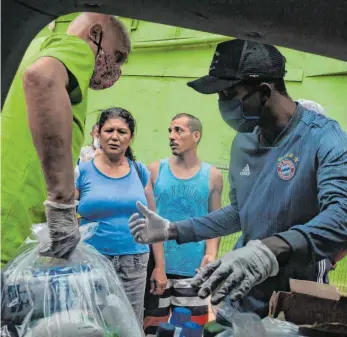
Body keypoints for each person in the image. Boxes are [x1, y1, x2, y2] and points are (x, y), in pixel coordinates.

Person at [128, 39, 347, 318]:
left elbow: (341, 215)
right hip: (242, 289)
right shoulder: (243, 142)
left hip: (295, 295)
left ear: (265, 92)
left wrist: (269, 250)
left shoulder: (325, 138)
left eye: (228, 95)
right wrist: (174, 229)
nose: (222, 105)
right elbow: (240, 212)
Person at [1, 13, 130, 266]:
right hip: (9, 223)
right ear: (95, 33)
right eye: (118, 56)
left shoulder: (32, 48)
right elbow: (42, 78)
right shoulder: (76, 47)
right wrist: (61, 202)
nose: (116, 70)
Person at [75, 107, 165, 323]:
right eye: (109, 130)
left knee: (129, 325)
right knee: (90, 324)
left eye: (122, 132)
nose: (115, 137)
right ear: (98, 134)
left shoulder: (139, 171)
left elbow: (154, 222)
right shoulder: (82, 171)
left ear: (131, 137)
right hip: (91, 262)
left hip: (134, 262)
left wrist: (160, 267)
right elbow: (67, 216)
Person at [144, 113, 223, 336]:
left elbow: (215, 221)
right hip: (159, 268)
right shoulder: (155, 170)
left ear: (196, 135)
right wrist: (158, 266)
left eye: (179, 130)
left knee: (192, 330)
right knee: (153, 329)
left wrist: (211, 254)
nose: (171, 136)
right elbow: (150, 219)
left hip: (194, 270)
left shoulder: (213, 176)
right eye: (170, 131)